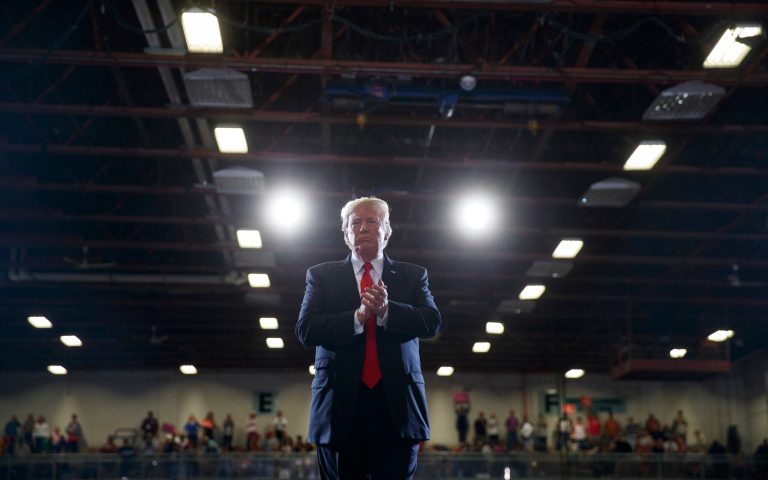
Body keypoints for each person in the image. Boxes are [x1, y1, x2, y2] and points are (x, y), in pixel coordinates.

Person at [296, 196, 442, 480]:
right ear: (345, 234)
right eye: (356, 223)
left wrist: (388, 310)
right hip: (339, 410)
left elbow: (432, 322)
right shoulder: (320, 276)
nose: (363, 228)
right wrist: (358, 317)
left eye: (372, 221)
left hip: (397, 410)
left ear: (387, 231)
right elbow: (306, 330)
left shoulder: (413, 275)